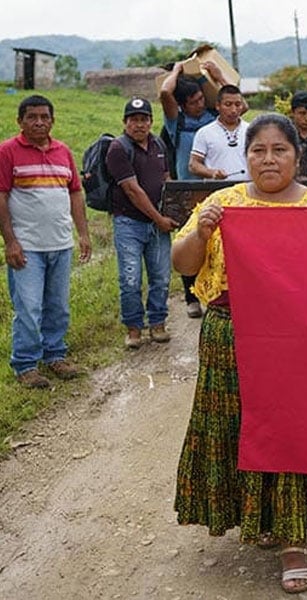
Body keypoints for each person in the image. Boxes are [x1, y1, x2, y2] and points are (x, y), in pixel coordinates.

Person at [171, 114, 307, 595]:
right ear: (245, 157)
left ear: (297, 156)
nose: (268, 159)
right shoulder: (221, 204)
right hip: (230, 335)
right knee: (241, 427)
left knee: (291, 432)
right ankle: (258, 517)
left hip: (297, 342)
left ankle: (294, 537)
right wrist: (202, 234)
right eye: (258, 151)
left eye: (279, 150)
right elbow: (182, 264)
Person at [0, 95, 91, 388]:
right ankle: (26, 364)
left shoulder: (63, 151)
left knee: (58, 306)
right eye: (32, 117)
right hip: (27, 247)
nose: (39, 122)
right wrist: (10, 241)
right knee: (28, 306)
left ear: (52, 120)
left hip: (61, 244)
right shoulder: (7, 152)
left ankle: (55, 356)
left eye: (44, 117)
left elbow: (75, 193)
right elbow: (1, 196)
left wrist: (84, 234)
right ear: (20, 121)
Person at [160, 59, 239, 319]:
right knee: (192, 240)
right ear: (182, 105)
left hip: (219, 189)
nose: (199, 104)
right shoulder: (176, 121)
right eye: (193, 102)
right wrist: (177, 71)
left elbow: (236, 102)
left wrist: (213, 77)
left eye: (200, 99)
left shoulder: (211, 118)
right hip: (189, 189)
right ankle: (191, 295)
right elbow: (164, 93)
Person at [106, 98, 177, 349]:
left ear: (150, 121)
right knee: (130, 279)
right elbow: (132, 190)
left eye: (144, 119)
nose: (139, 124)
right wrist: (158, 219)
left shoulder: (158, 143)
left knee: (161, 277)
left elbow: (167, 179)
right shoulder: (118, 148)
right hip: (129, 223)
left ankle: (158, 324)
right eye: (133, 119)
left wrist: (170, 211)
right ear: (125, 123)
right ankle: (134, 329)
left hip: (159, 222)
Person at [188, 85, 249, 182]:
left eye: (238, 105)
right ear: (218, 106)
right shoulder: (205, 132)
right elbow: (193, 165)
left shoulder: (252, 130)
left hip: (246, 190)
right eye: (228, 104)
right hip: (216, 191)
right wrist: (212, 173)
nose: (233, 110)